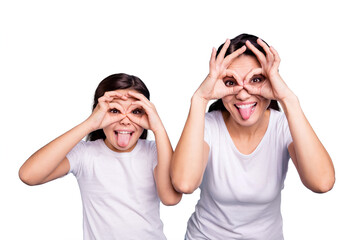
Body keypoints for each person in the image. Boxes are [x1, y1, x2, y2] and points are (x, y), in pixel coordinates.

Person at [171, 34, 335, 239]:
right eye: (231, 82)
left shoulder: (283, 126)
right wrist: (199, 98)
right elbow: (184, 183)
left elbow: (322, 183)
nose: (242, 93)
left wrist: (288, 99)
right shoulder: (208, 126)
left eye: (256, 79)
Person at [19, 73, 182, 240]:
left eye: (136, 111)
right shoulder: (85, 154)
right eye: (114, 110)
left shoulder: (155, 151)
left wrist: (159, 128)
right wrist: (90, 123)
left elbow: (171, 198)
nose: (125, 120)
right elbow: (28, 175)